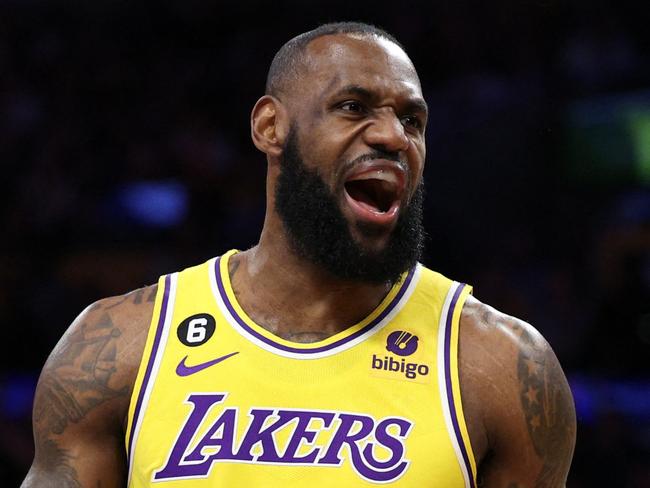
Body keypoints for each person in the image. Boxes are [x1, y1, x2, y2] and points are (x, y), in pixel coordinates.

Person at [22, 22, 576, 487]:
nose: (392, 135)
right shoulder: (123, 345)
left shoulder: (499, 365)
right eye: (353, 106)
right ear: (270, 127)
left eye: (412, 120)